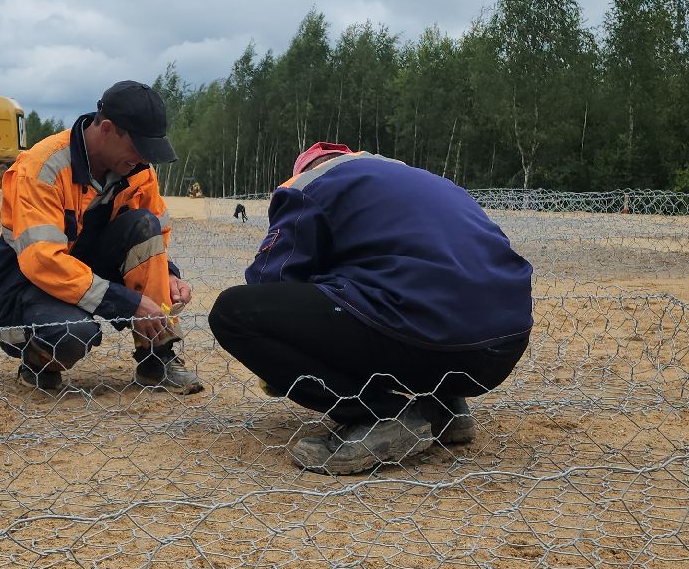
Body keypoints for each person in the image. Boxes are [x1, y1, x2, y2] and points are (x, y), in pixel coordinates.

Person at [210, 143, 533, 475]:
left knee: (233, 313)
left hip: (423, 334)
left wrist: (278, 365)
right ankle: (443, 409)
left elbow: (269, 284)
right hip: (504, 343)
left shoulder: (311, 184)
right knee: (381, 289)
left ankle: (380, 415)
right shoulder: (420, 179)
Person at [0, 80, 202, 394]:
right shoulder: (42, 167)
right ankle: (37, 362)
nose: (142, 159)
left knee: (143, 224)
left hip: (87, 280)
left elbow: (153, 235)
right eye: (136, 147)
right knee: (72, 333)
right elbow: (42, 262)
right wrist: (127, 303)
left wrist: (168, 275)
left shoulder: (138, 170)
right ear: (105, 129)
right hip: (26, 292)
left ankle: (156, 358)